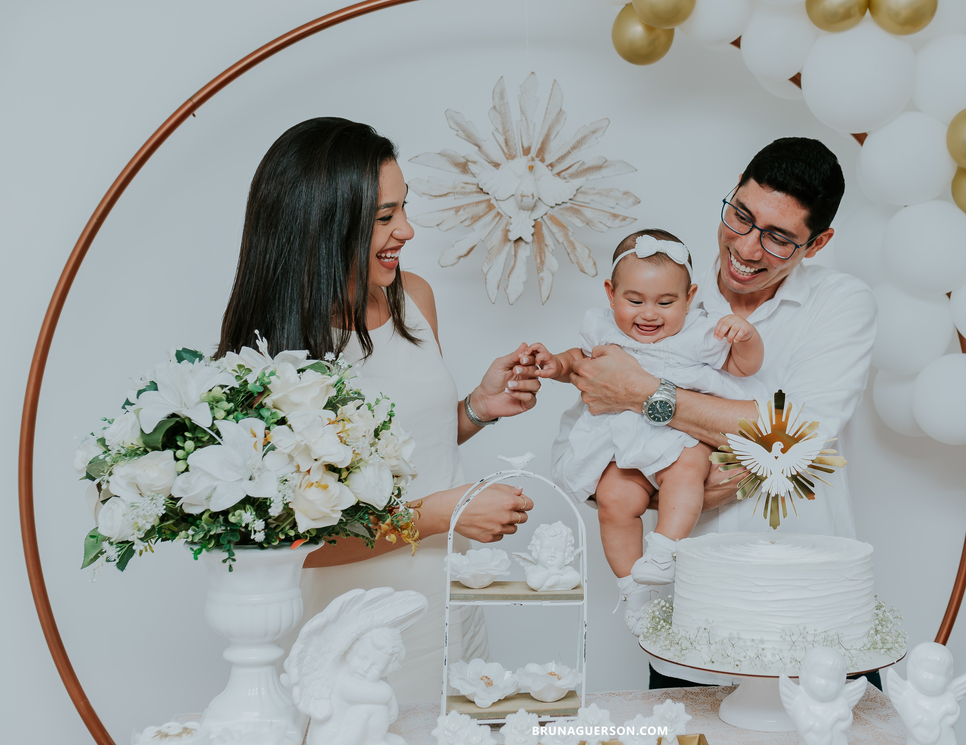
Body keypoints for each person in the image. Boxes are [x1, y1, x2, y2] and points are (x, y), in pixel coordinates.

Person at [217, 117, 542, 701]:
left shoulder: (413, 297)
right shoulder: (273, 363)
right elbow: (296, 547)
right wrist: (444, 513)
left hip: (453, 595)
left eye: (403, 209)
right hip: (356, 629)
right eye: (384, 218)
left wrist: (475, 408)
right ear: (323, 227)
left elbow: (403, 451)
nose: (407, 231)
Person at [564, 138, 878, 687]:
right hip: (692, 611)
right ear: (733, 192)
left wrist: (641, 392)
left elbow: (797, 435)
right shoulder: (663, 290)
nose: (749, 249)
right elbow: (591, 424)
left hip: (807, 600)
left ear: (819, 242)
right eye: (741, 216)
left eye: (780, 239)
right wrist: (668, 478)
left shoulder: (840, 304)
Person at [524, 229, 763, 635]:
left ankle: (665, 548)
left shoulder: (701, 333)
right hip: (619, 439)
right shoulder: (603, 329)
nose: (649, 314)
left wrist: (746, 337)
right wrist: (556, 365)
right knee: (615, 498)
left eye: (666, 302)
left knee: (687, 471)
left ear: (689, 298)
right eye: (634, 301)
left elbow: (744, 368)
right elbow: (581, 361)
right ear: (610, 294)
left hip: (678, 435)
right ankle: (631, 587)